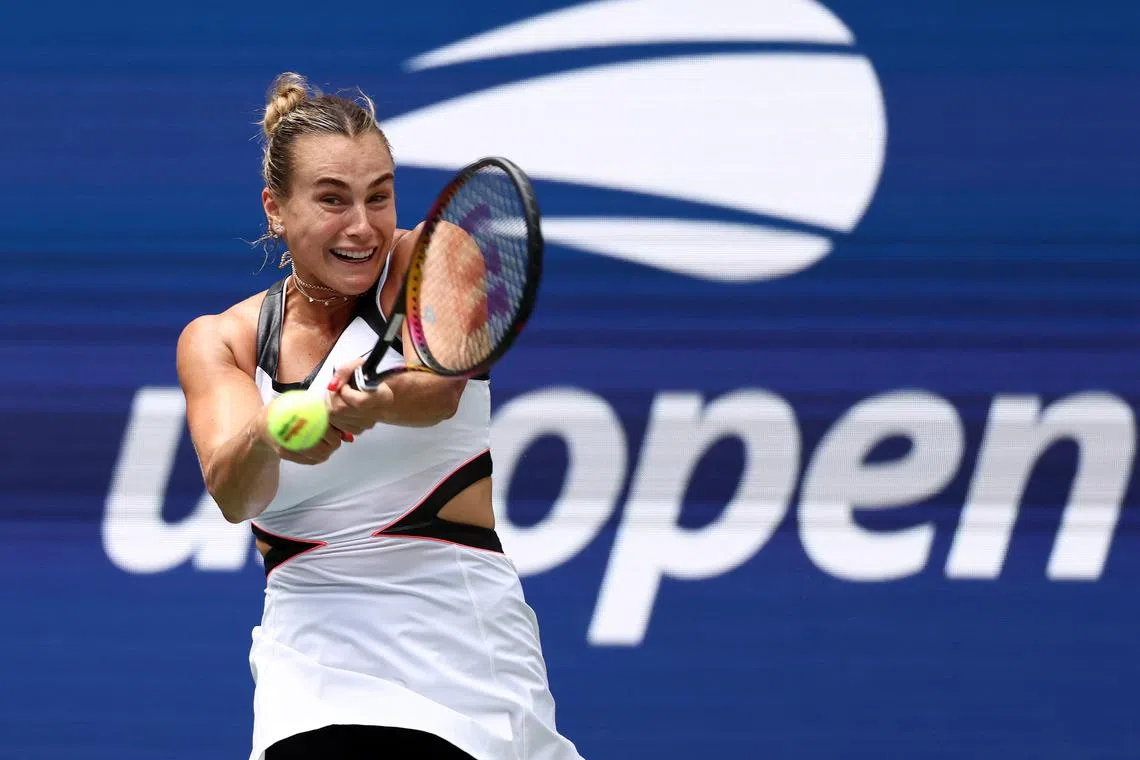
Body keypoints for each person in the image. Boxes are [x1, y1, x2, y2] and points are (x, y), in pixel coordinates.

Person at [176, 71, 584, 760]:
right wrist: (272, 432)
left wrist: (378, 401)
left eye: (380, 196)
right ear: (276, 209)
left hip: (458, 640)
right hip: (309, 658)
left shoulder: (435, 254)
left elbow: (440, 389)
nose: (363, 226)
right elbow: (233, 491)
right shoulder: (222, 340)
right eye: (333, 200)